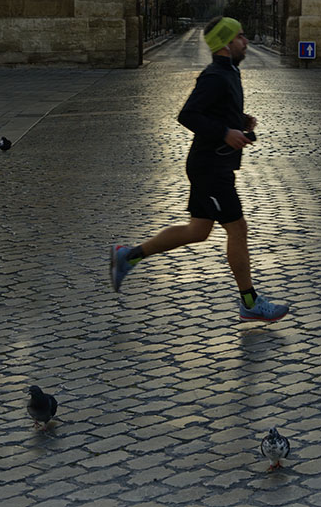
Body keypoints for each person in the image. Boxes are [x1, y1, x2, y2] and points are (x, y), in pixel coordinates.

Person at [109, 16, 289, 322]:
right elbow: (188, 114)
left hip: (212, 165)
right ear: (226, 43)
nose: (246, 42)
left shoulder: (228, 71)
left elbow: (213, 111)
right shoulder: (215, 76)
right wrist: (224, 132)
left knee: (198, 230)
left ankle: (128, 255)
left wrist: (239, 121)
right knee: (238, 228)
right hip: (211, 168)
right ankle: (249, 301)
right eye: (241, 37)